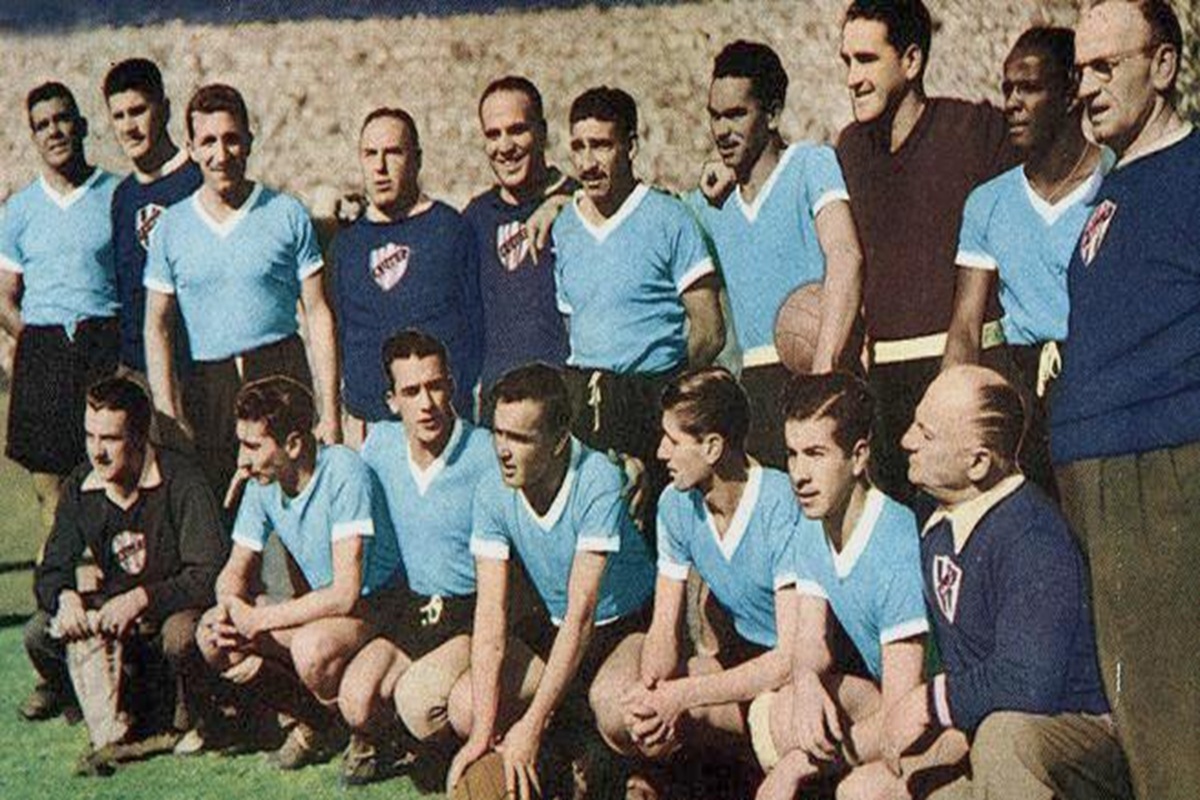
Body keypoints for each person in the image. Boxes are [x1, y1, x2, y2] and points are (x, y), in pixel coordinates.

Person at [837, 366, 1131, 800]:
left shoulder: (1031, 537)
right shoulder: (937, 522)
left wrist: (927, 701)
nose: (906, 441)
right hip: (986, 744)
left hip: (1071, 743)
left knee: (1003, 736)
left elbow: (1029, 683)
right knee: (864, 792)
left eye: (926, 433)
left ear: (977, 462)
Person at [1053, 2, 1199, 796]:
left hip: (1166, 479)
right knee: (1137, 725)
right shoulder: (1113, 187)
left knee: (1177, 730)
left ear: (1166, 66)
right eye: (1080, 70)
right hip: (1099, 482)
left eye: (1107, 66)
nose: (1086, 87)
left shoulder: (1193, 173)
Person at [588, 367, 802, 796]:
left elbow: (790, 657)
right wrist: (649, 696)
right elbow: (663, 629)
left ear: (712, 446)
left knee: (766, 721)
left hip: (799, 668)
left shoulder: (781, 502)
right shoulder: (674, 504)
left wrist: (681, 697)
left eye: (673, 440)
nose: (660, 452)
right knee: (616, 703)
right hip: (739, 658)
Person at [835, 0, 1016, 506]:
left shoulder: (975, 130)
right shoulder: (848, 150)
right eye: (846, 61)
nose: (852, 77)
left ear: (911, 61)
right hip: (884, 389)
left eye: (866, 60)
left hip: (966, 373)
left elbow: (1058, 160)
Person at [447, 364, 656, 800]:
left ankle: (639, 772)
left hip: (622, 625)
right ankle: (570, 755)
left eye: (520, 438)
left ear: (560, 439)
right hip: (558, 627)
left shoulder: (596, 478)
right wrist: (482, 735)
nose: (504, 450)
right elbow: (489, 617)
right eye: (498, 434)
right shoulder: (492, 489)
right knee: (468, 706)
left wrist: (532, 722)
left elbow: (583, 614)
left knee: (618, 707)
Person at [143, 83, 341, 503]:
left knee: (299, 509)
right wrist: (168, 411)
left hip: (280, 370)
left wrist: (330, 411)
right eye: (208, 141)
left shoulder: (286, 213)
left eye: (231, 139)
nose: (221, 154)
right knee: (221, 515)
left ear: (249, 141)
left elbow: (318, 311)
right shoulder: (172, 227)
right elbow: (156, 326)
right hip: (208, 385)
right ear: (192, 148)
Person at [194, 376, 402, 768]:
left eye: (253, 446)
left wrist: (259, 618)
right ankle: (316, 723)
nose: (242, 459)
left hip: (378, 608)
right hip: (324, 610)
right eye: (241, 443)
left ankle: (368, 730)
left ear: (293, 444)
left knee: (311, 648)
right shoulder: (262, 481)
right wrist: (228, 607)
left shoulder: (343, 470)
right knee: (212, 636)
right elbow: (234, 569)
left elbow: (346, 593)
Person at [24, 376, 226, 771]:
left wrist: (142, 598)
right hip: (117, 618)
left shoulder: (181, 480)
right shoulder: (82, 484)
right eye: (89, 436)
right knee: (38, 633)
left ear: (138, 437)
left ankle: (190, 720)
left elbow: (208, 574)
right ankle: (91, 707)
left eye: (110, 439)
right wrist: (64, 597)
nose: (97, 452)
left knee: (182, 637)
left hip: (172, 609)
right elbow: (50, 570)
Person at [943, 27, 1111, 497]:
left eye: (1030, 88)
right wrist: (952, 417)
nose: (1012, 103)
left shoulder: (1117, 178)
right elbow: (964, 328)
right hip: (1027, 401)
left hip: (1102, 385)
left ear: (1071, 92)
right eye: (1007, 90)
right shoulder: (987, 203)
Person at [750, 372, 928, 800]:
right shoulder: (814, 524)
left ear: (858, 456)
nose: (799, 474)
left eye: (816, 454)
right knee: (781, 716)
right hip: (887, 697)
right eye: (792, 455)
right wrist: (808, 680)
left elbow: (903, 716)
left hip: (937, 716)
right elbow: (810, 642)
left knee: (856, 791)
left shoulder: (896, 548)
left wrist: (797, 766)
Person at [689, 41, 863, 467]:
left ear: (771, 113)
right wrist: (560, 201)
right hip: (755, 390)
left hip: (822, 370)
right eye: (715, 116)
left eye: (736, 114)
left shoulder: (810, 164)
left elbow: (845, 254)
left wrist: (823, 373)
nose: (723, 130)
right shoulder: (709, 203)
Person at [552, 86, 725, 508]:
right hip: (586, 402)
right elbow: (575, 327)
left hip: (651, 400)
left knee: (654, 530)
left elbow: (709, 330)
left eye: (601, 146)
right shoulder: (564, 228)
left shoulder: (670, 219)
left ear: (630, 146)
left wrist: (666, 394)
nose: (588, 162)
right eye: (578, 147)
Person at [336, 330, 495, 785]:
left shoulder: (486, 452)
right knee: (356, 698)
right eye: (411, 391)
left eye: (435, 385)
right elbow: (331, 480)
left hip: (470, 611)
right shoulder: (380, 447)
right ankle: (395, 743)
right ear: (391, 400)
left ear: (452, 385)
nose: (426, 403)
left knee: (419, 705)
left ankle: (454, 751)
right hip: (414, 606)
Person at [0, 82, 121, 541]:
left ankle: (119, 602)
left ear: (82, 125)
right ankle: (52, 603)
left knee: (115, 487)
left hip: (103, 350)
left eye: (62, 119)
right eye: (42, 125)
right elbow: (3, 295)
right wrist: (37, 340)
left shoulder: (116, 194)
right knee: (51, 495)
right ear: (33, 136)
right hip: (46, 351)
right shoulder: (20, 209)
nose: (54, 131)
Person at [332, 108, 482, 438]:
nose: (380, 167)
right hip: (367, 429)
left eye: (393, 153)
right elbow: (343, 331)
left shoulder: (450, 229)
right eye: (370, 154)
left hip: (439, 424)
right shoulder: (347, 243)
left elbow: (476, 329)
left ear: (416, 159)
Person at [463, 77, 571, 404]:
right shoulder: (475, 218)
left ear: (543, 132)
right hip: (499, 411)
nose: (505, 146)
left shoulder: (584, 204)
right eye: (493, 134)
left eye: (517, 130)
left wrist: (572, 204)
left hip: (564, 404)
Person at [102, 58, 202, 379]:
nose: (129, 127)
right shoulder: (123, 196)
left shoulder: (198, 180)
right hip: (135, 373)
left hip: (196, 370)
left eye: (138, 111)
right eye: (119, 116)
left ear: (166, 109)